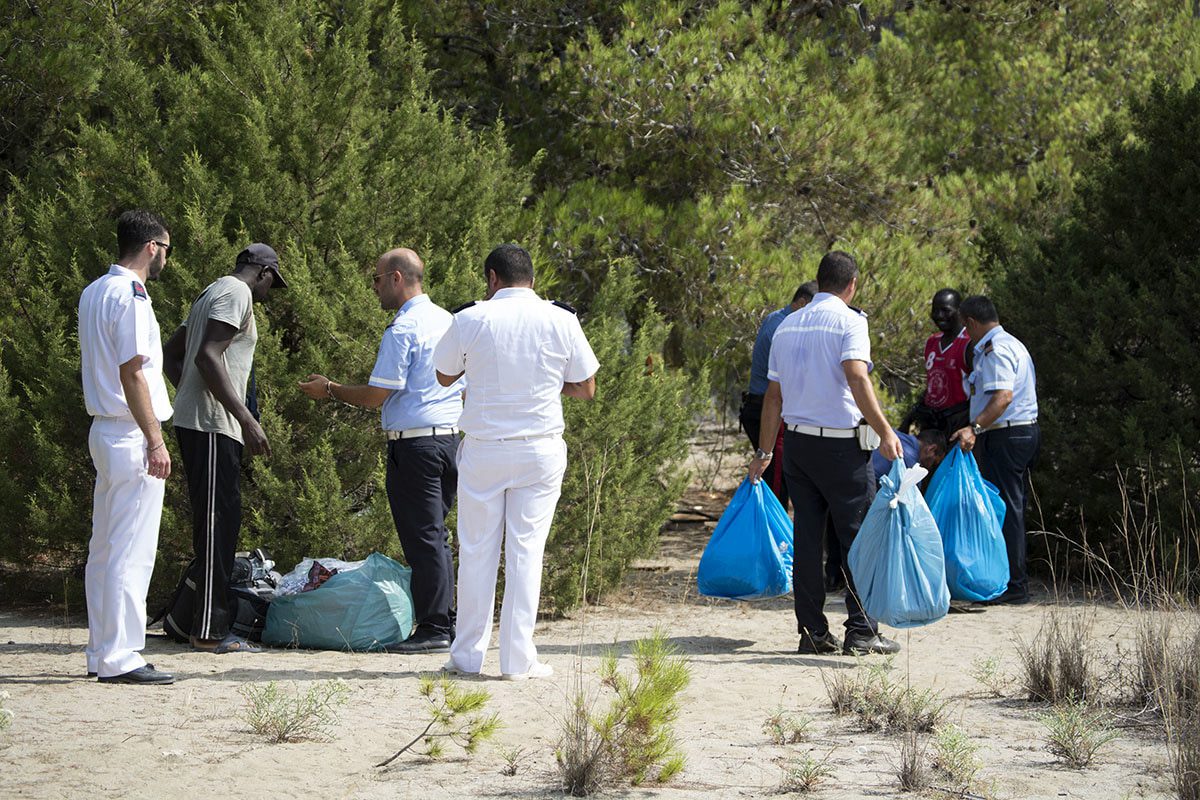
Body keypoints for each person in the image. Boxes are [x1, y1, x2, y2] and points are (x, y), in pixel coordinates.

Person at [433, 243, 599, 680]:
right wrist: (545, 386)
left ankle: (467, 656)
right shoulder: (561, 318)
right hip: (539, 448)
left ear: (492, 278)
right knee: (527, 552)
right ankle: (517, 661)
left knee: (475, 552)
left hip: (486, 447)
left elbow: (444, 375)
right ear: (532, 277)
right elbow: (585, 388)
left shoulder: (470, 317)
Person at [299, 248, 462, 653]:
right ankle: (447, 621)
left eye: (375, 279)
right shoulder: (450, 321)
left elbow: (376, 395)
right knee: (436, 536)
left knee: (424, 538)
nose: (372, 287)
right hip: (449, 442)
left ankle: (435, 628)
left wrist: (331, 389)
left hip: (415, 446)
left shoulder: (403, 329)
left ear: (395, 278)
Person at [748, 251, 903, 656]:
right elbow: (856, 376)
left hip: (798, 444)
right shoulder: (851, 321)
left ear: (819, 281)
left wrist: (764, 451)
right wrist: (886, 430)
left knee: (807, 540)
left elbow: (773, 399)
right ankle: (862, 629)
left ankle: (813, 633)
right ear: (851, 285)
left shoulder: (785, 326)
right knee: (857, 539)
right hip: (841, 447)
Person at [162, 243, 285, 653]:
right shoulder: (237, 293)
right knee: (218, 526)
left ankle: (184, 622)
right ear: (263, 272)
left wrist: (191, 397)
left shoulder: (210, 291)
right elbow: (207, 357)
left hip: (204, 420)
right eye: (273, 282)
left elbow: (171, 354)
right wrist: (246, 420)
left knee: (218, 523)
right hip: (214, 426)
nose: (270, 292)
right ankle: (209, 633)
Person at [78, 209, 176, 685]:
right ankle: (120, 655)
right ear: (152, 246)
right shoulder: (132, 295)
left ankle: (101, 650)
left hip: (105, 428)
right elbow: (132, 371)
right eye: (167, 250)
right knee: (131, 547)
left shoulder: (94, 290)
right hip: (130, 430)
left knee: (105, 546)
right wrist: (154, 439)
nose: (165, 261)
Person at [950, 295, 1040, 605]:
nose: (965, 333)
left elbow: (1002, 397)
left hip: (1007, 435)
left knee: (1007, 509)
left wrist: (974, 428)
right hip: (1011, 434)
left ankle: (1014, 586)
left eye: (965, 327)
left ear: (972, 323)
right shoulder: (1008, 343)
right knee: (1008, 506)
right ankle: (1010, 581)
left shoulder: (995, 349)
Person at [739, 281, 818, 508]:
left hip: (762, 406)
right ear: (801, 302)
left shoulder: (776, 318)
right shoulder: (784, 327)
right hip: (769, 409)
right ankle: (776, 539)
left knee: (779, 478)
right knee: (776, 483)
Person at [901, 289, 971, 435]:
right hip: (932, 422)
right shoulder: (932, 342)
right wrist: (912, 416)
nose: (939, 316)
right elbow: (932, 383)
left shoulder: (968, 343)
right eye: (935, 311)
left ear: (960, 311)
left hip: (958, 422)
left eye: (946, 310)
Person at [870, 428, 948, 484]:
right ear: (931, 449)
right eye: (934, 463)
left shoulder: (893, 434)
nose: (930, 467)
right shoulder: (911, 466)